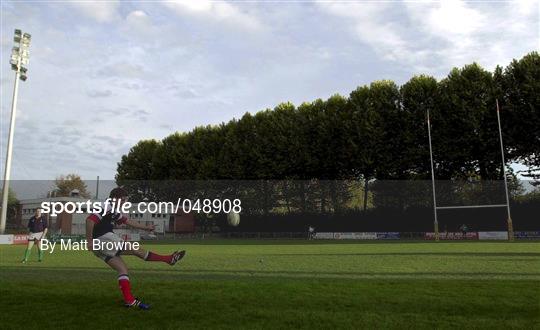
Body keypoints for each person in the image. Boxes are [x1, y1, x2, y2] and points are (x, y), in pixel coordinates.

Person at [86, 187, 185, 310]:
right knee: (136, 249)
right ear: (115, 198)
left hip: (100, 245)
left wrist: (146, 228)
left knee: (123, 270)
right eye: (123, 200)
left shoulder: (112, 209)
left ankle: (130, 301)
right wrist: (89, 241)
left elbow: (127, 221)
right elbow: (90, 220)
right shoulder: (106, 206)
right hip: (103, 239)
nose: (124, 202)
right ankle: (168, 259)